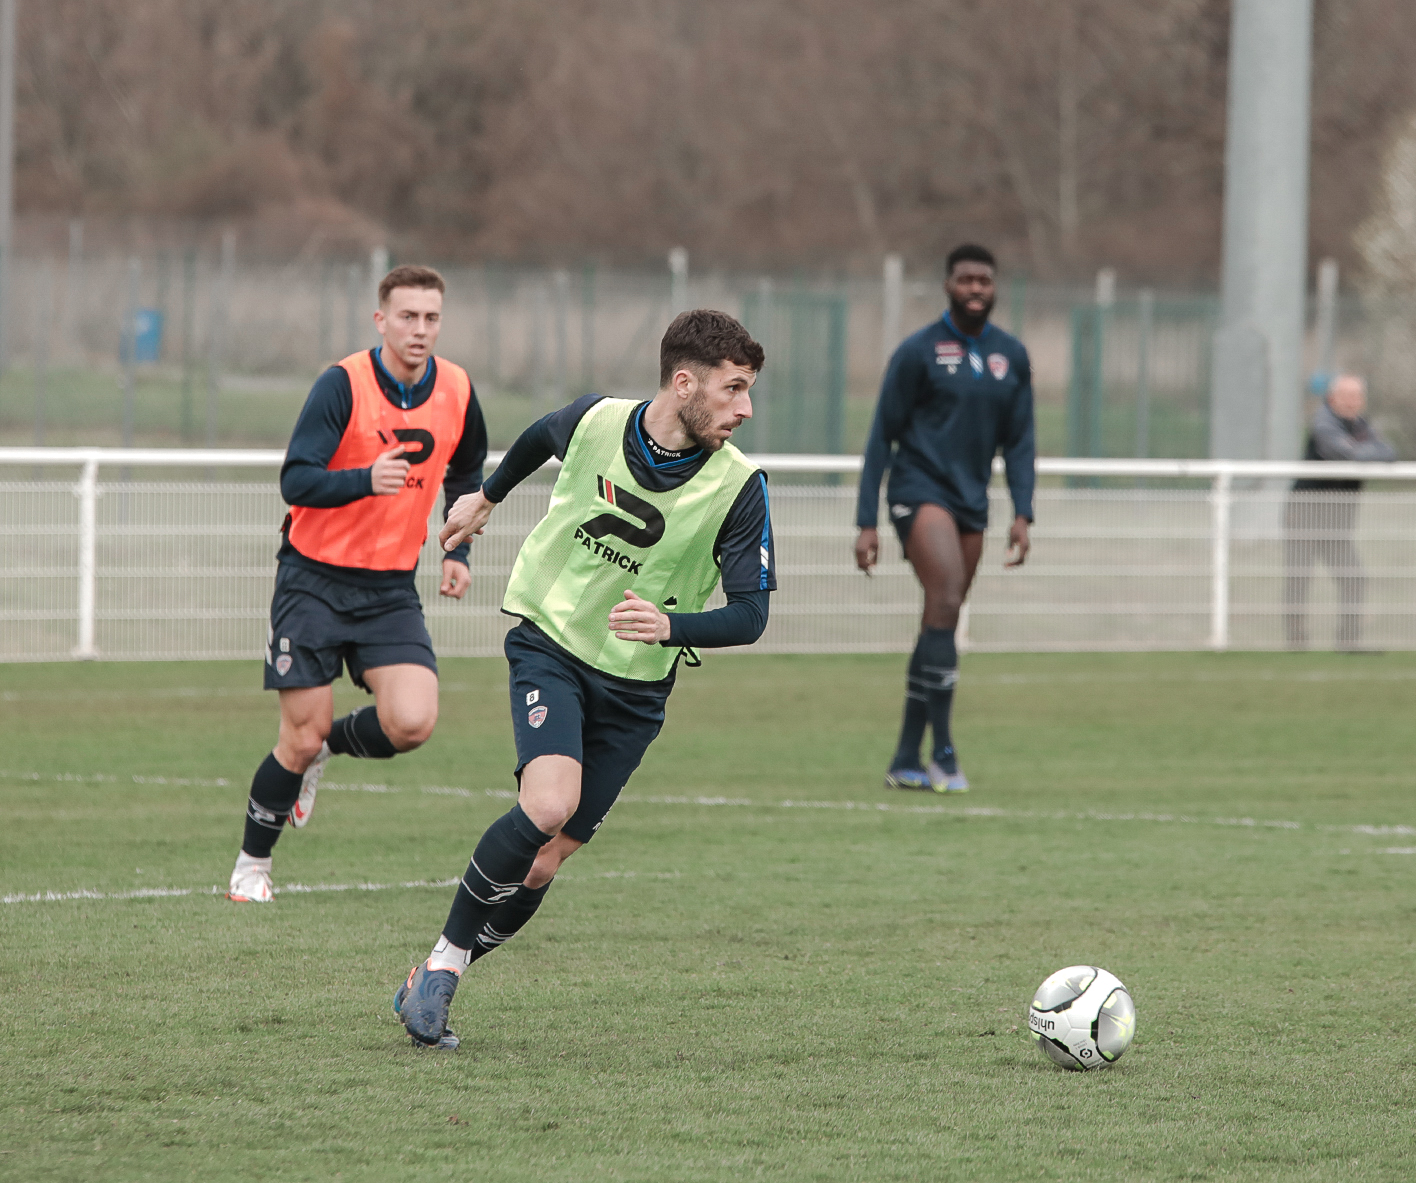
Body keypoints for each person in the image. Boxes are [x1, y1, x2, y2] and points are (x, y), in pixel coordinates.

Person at [394, 309, 774, 1048]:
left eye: (749, 391)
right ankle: (443, 967)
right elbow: (539, 435)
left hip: (636, 688)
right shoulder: (598, 421)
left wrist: (673, 626)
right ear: (684, 382)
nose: (745, 408)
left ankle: (435, 975)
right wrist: (486, 498)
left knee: (541, 865)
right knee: (546, 804)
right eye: (733, 390)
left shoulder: (739, 487)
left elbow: (752, 614)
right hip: (554, 643)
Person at [226, 265, 488, 902]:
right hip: (312, 582)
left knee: (413, 722)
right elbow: (297, 479)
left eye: (431, 318)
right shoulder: (341, 384)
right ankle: (251, 867)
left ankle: (325, 752)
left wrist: (458, 548)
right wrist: (362, 481)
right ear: (381, 320)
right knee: (298, 734)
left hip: (390, 591)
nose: (419, 330)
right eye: (407, 317)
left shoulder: (456, 387)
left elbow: (467, 465)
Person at [854, 244, 1035, 794]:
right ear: (948, 286)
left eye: (984, 279)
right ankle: (946, 750)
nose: (975, 288)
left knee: (941, 614)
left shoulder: (1011, 356)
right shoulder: (919, 352)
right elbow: (880, 435)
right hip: (918, 490)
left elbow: (1022, 442)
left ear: (996, 286)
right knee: (949, 596)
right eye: (965, 279)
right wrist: (866, 520)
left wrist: (1024, 512)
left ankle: (908, 756)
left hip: (971, 501)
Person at [1284, 374, 1395, 650]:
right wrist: (1366, 452)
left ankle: (1348, 643)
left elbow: (1389, 452)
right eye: (1347, 395)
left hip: (1336, 520)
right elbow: (1344, 454)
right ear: (1332, 398)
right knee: (1299, 579)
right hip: (1305, 514)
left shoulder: (1361, 425)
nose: (1353, 402)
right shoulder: (1323, 423)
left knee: (1353, 578)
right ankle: (1296, 644)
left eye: (1357, 396)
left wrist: (1365, 451)